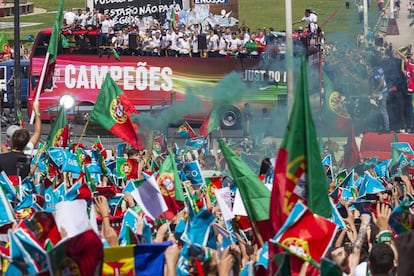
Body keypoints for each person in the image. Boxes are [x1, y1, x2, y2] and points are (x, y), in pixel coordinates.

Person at [370, 66, 390, 132]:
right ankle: (381, 127)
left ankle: (387, 128)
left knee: (383, 110)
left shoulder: (375, 72)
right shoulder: (380, 68)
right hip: (383, 91)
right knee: (380, 110)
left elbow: (381, 82)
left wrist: (375, 91)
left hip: (382, 92)